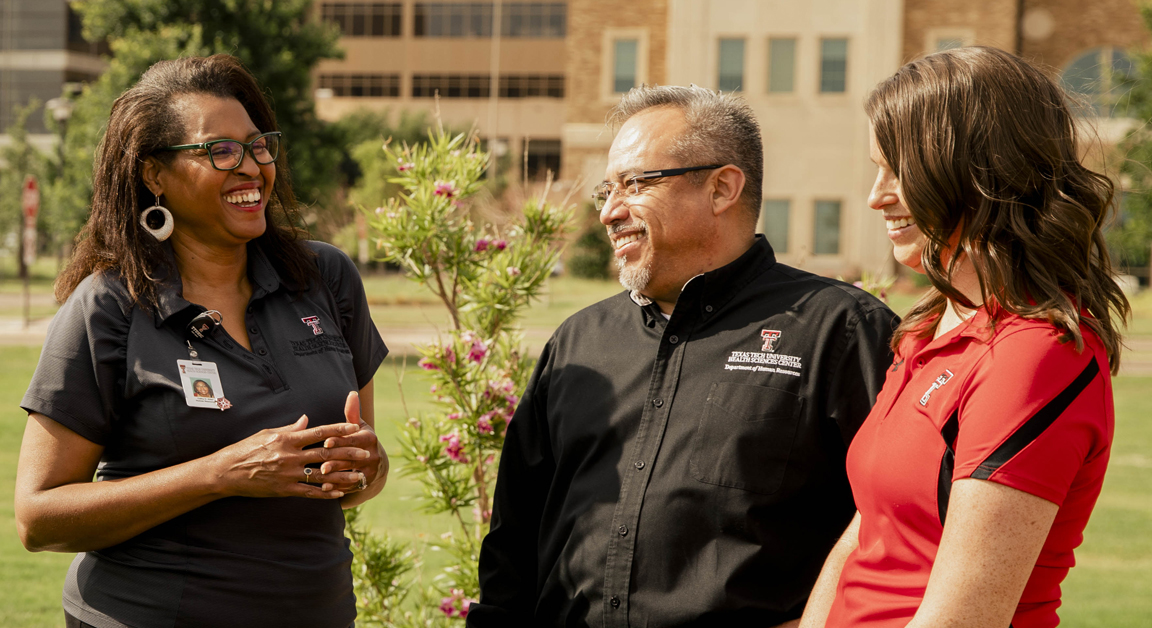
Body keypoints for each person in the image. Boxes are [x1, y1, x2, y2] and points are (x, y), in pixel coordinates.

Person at [469, 85, 899, 627]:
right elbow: (514, 539)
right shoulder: (579, 342)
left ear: (722, 188)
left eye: (634, 184)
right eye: (606, 189)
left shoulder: (840, 331)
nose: (608, 212)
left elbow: (897, 527)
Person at [14, 55, 390, 628]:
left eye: (258, 145)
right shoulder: (110, 306)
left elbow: (361, 474)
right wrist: (219, 474)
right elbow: (38, 517)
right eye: (220, 151)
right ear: (154, 175)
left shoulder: (325, 278)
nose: (250, 167)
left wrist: (365, 466)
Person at [799, 46, 1129, 628]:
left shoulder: (1033, 353)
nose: (877, 196)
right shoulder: (928, 328)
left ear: (975, 174)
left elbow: (963, 618)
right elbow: (867, 535)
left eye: (900, 171)